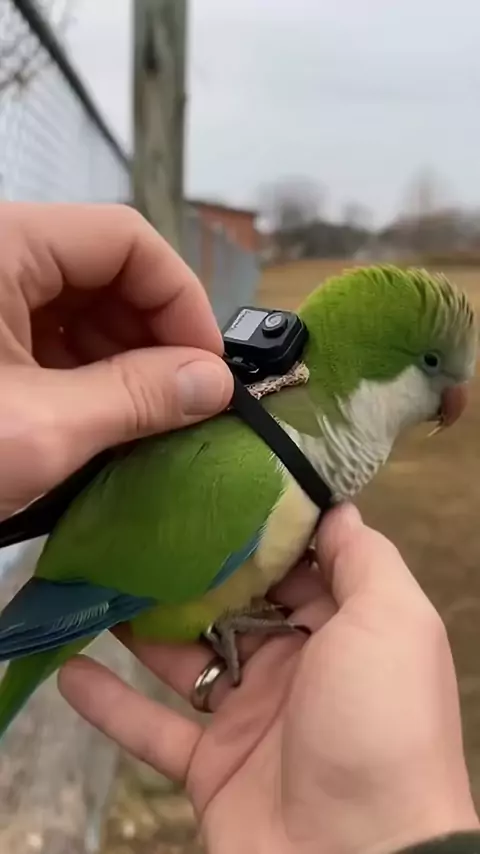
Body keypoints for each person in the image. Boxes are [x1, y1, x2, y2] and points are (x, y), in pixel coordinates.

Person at [0, 201, 479, 854]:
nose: (451, 399)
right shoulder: (257, 475)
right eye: (431, 365)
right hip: (106, 582)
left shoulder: (288, 457)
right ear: (380, 367)